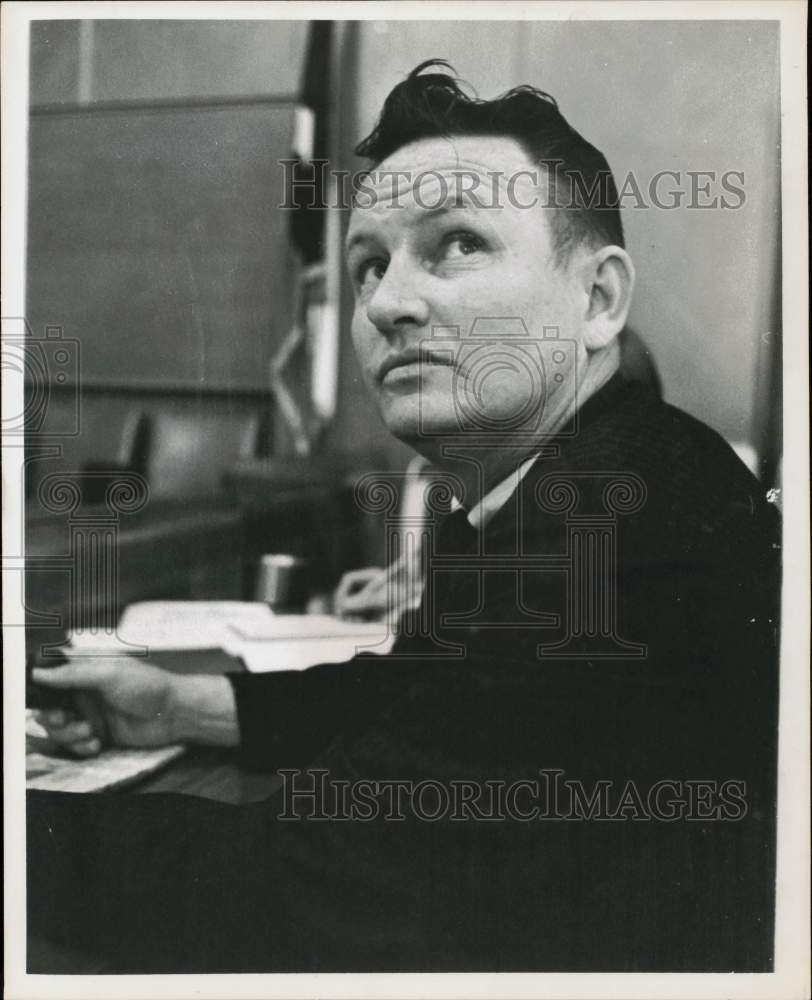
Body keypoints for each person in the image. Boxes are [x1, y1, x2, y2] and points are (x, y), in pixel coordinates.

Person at [28, 61, 780, 972]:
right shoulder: (540, 479)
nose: (387, 303)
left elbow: (323, 881)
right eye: (369, 264)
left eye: (458, 242)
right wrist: (178, 703)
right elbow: (415, 690)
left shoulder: (612, 516)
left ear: (599, 299)